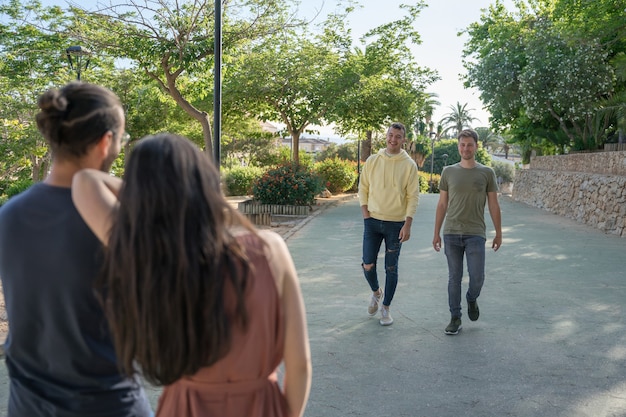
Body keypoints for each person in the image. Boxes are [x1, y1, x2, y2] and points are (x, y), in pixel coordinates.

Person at [71, 133, 312, 417]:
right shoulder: (268, 250)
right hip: (260, 406)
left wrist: (152, 200)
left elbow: (86, 182)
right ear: (205, 183)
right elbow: (300, 365)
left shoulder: (146, 257)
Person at [0, 82, 152, 416]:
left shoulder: (8, 216)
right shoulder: (120, 219)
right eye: (121, 140)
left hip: (28, 406)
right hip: (111, 404)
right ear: (105, 142)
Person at [432, 128, 502, 335]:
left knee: (477, 277)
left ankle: (472, 298)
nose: (466, 148)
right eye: (462, 145)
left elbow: (494, 205)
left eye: (470, 144)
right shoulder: (448, 172)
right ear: (458, 147)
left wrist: (499, 233)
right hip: (451, 232)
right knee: (454, 277)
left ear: (476, 147)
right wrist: (436, 232)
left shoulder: (487, 172)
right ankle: (455, 317)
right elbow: (442, 204)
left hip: (475, 233)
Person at [358, 122, 420, 326]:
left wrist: (408, 224)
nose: (393, 139)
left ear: (404, 140)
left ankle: (385, 307)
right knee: (368, 264)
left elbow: (413, 196)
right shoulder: (373, 160)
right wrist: (366, 215)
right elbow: (363, 187)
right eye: (391, 135)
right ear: (386, 136)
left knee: (391, 268)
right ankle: (376, 292)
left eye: (398, 136)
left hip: (396, 224)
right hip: (372, 221)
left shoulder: (409, 165)